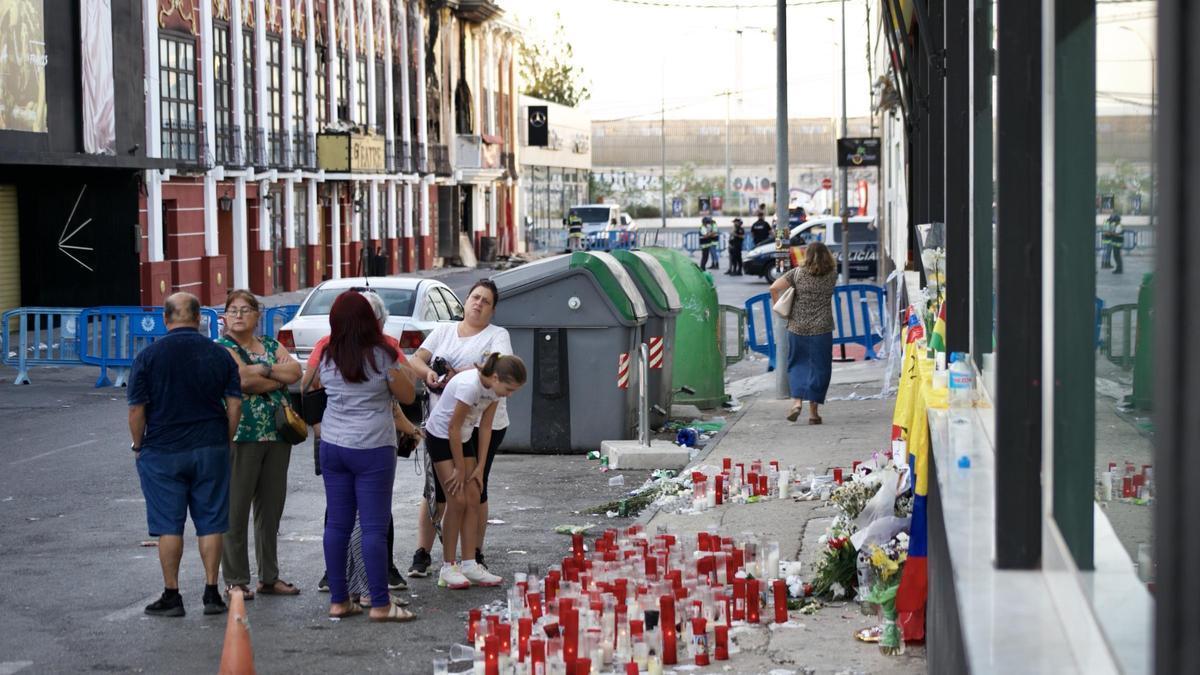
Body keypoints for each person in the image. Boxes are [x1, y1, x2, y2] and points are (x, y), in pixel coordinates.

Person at [128, 292, 242, 617]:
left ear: (166, 319)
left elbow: (136, 409)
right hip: (211, 447)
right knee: (210, 523)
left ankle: (172, 595)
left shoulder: (148, 357)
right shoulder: (220, 356)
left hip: (162, 451)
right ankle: (211, 594)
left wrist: (139, 445)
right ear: (199, 319)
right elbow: (235, 403)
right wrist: (227, 438)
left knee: (169, 525)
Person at [303, 290, 420, 594]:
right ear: (372, 320)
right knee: (372, 527)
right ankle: (379, 602)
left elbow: (307, 387)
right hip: (373, 446)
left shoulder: (326, 353)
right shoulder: (383, 355)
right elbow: (407, 396)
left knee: (338, 524)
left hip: (333, 445)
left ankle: (339, 598)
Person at [404, 280, 512, 577]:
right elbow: (415, 359)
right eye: (475, 297)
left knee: (475, 488)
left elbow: (497, 367)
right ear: (465, 301)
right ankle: (423, 553)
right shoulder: (443, 331)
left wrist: (455, 374)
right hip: (445, 422)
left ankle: (473, 555)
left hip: (483, 423)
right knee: (437, 490)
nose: (478, 303)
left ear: (492, 310)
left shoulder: (497, 335)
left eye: (486, 301)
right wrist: (428, 373)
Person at [216, 290, 303, 601]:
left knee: (271, 510)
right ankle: (236, 579)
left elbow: (295, 371)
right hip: (242, 435)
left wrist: (263, 372)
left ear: (257, 316)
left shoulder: (268, 344)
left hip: (278, 435)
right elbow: (242, 382)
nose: (239, 315)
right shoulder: (222, 348)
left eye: (246, 310)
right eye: (233, 310)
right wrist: (273, 376)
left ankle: (269, 577)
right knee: (235, 510)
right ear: (224, 317)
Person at [423, 354, 527, 589]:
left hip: (465, 436)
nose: (509, 394)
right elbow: (452, 427)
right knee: (456, 500)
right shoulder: (470, 386)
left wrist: (479, 467)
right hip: (441, 436)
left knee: (473, 497)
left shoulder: (494, 390)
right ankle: (448, 567)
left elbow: (487, 427)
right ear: (496, 377)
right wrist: (460, 467)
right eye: (509, 388)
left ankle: (470, 563)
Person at [769, 242, 838, 425]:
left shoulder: (797, 273)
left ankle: (797, 403)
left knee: (797, 364)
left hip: (797, 327)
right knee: (820, 368)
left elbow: (774, 287)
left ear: (807, 255)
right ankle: (814, 413)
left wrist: (779, 308)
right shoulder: (832, 274)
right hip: (821, 328)